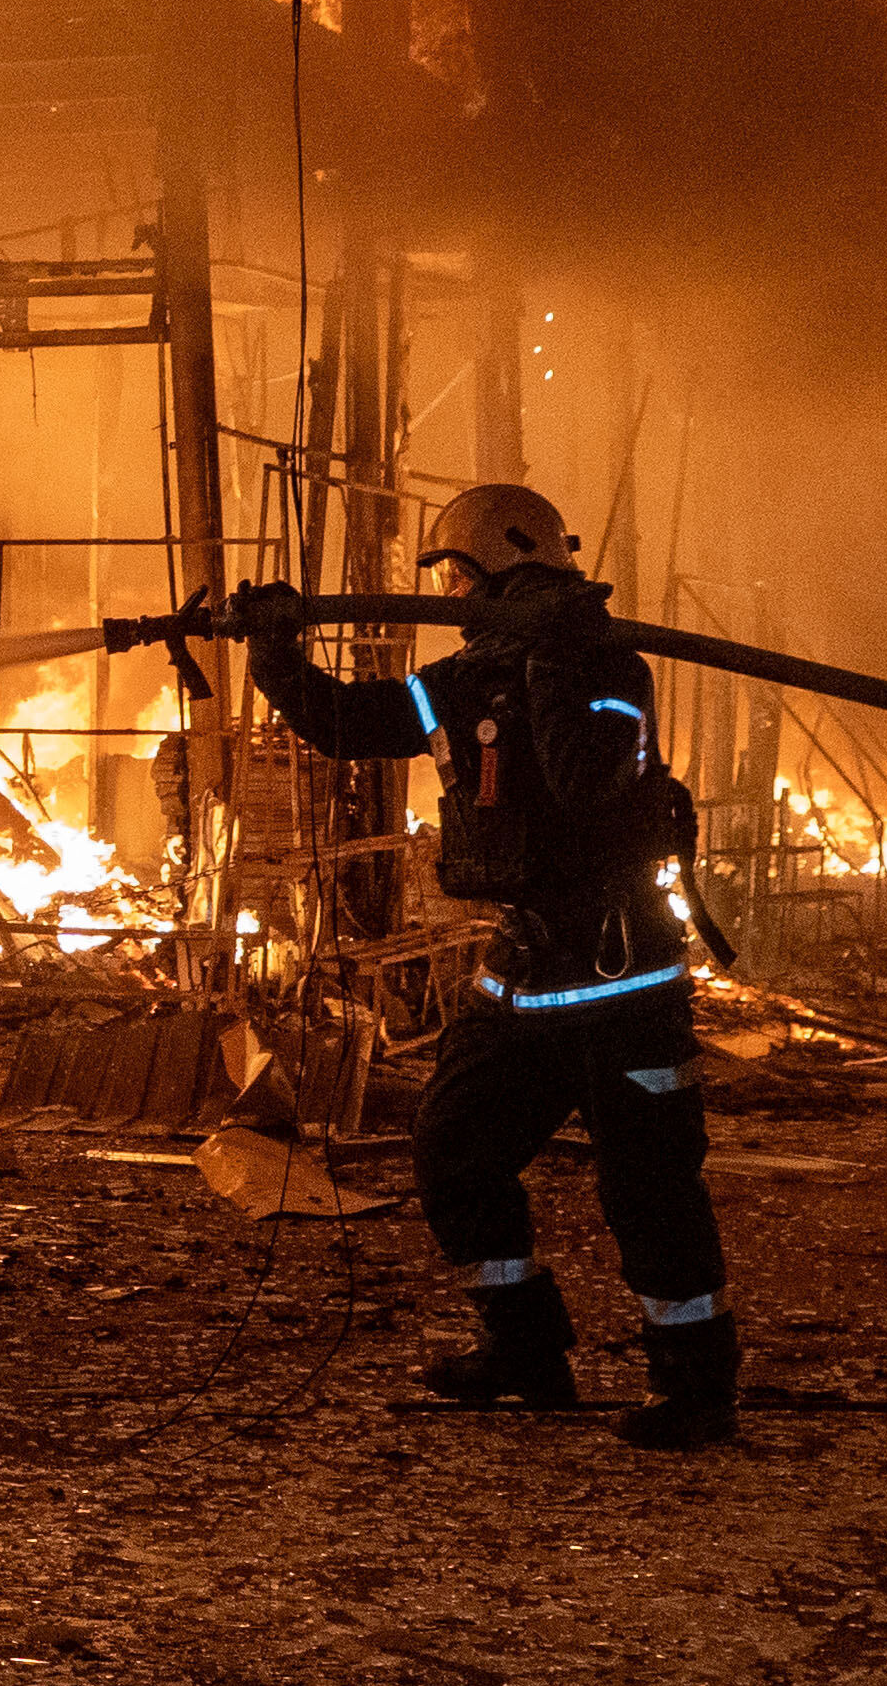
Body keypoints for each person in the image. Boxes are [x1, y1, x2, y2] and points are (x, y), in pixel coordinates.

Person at [225, 484, 736, 1449]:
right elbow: (350, 724)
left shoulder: (608, 670)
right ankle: (524, 1351)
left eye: (459, 572)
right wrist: (275, 652)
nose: (451, 590)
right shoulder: (464, 677)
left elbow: (588, 786)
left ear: (508, 564)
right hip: (522, 976)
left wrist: (548, 653)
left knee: (651, 1192)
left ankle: (698, 1387)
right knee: (453, 1152)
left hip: (621, 980)